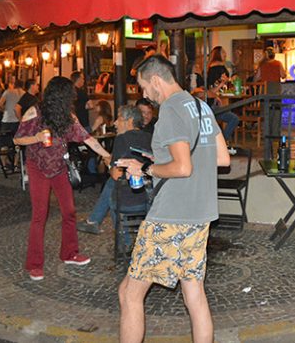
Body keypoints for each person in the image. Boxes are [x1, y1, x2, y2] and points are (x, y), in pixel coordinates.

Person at [116, 55, 230, 343]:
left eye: (144, 87)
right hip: (201, 213)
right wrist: (162, 159)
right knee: (194, 294)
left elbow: (182, 168)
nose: (145, 95)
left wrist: (146, 168)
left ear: (156, 80)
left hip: (171, 216)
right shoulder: (201, 106)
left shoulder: (170, 109)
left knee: (129, 294)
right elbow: (222, 158)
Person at [13, 77, 112, 281]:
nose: (72, 99)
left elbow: (87, 138)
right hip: (38, 167)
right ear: (60, 96)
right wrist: (36, 138)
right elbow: (17, 139)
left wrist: (107, 155)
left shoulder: (68, 116)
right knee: (40, 215)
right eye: (69, 95)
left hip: (59, 167)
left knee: (69, 211)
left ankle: (69, 253)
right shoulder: (34, 112)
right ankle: (34, 264)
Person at [77, 105, 151, 250]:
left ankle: (126, 243)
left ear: (129, 121)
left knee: (113, 187)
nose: (115, 123)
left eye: (119, 119)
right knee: (112, 183)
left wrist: (109, 165)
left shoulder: (122, 139)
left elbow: (116, 175)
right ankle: (93, 221)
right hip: (149, 197)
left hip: (130, 200)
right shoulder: (149, 137)